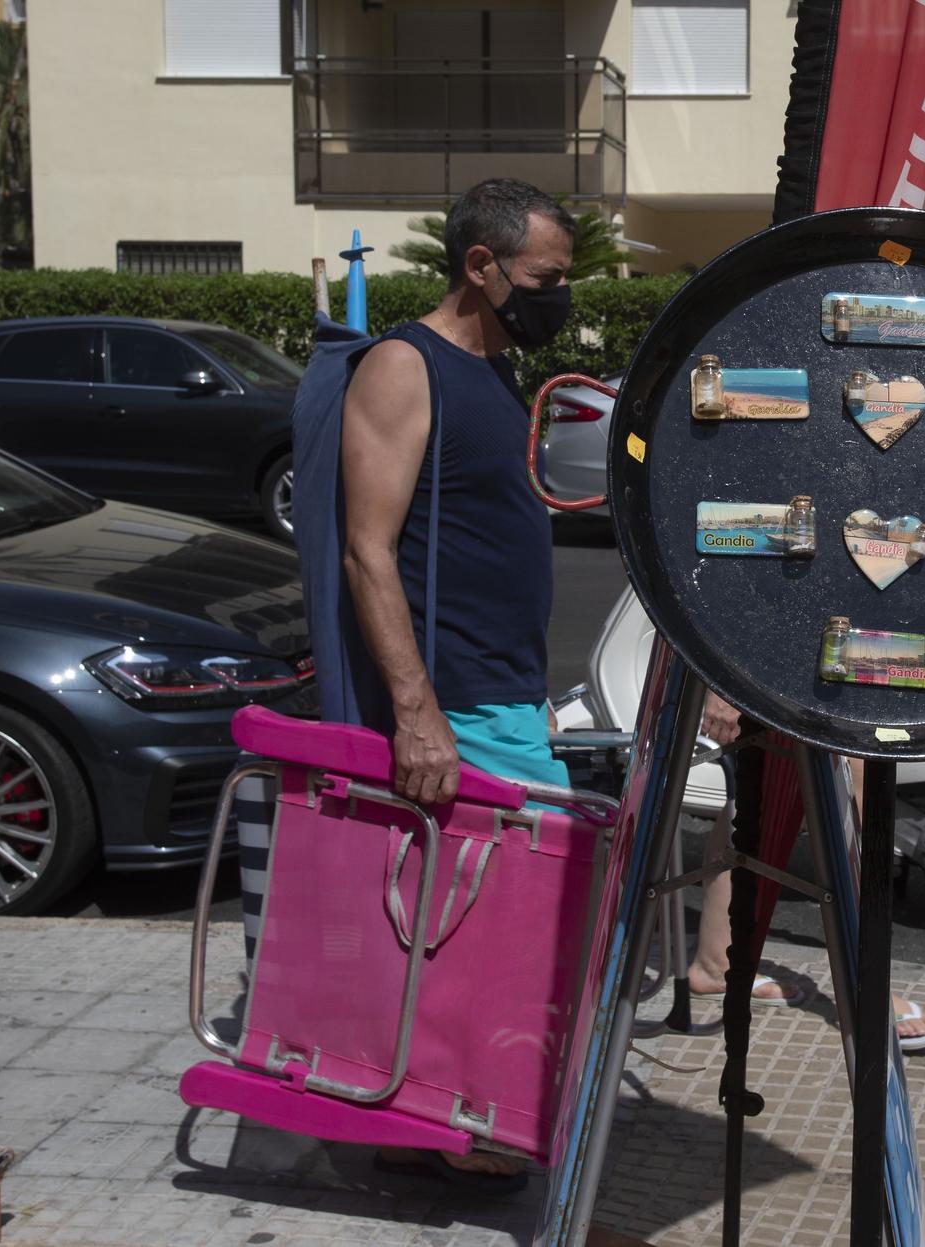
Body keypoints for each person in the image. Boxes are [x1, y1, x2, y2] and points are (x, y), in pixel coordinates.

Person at [336, 177, 576, 1193]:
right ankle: (436, 1125)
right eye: (543, 278)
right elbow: (367, 548)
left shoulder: (498, 370)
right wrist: (417, 712)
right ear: (479, 265)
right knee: (501, 924)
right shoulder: (405, 363)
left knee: (490, 927)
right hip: (461, 702)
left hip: (506, 689)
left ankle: (454, 1115)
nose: (558, 295)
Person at [690, 694, 925, 1051]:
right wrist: (720, 690)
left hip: (823, 647)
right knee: (848, 773)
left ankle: (717, 963)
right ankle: (865, 988)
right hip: (781, 648)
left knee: (766, 784)